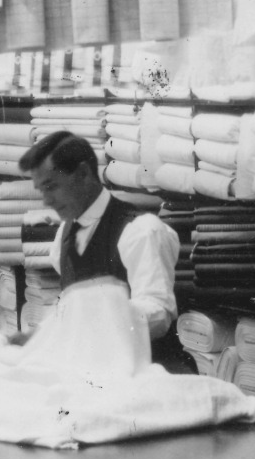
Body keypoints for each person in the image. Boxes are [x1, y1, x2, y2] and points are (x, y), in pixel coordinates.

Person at [18, 130, 184, 363]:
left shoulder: (141, 230)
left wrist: (90, 321)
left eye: (51, 187)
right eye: (41, 190)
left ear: (84, 173)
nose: (46, 201)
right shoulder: (64, 233)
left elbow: (158, 314)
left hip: (146, 372)